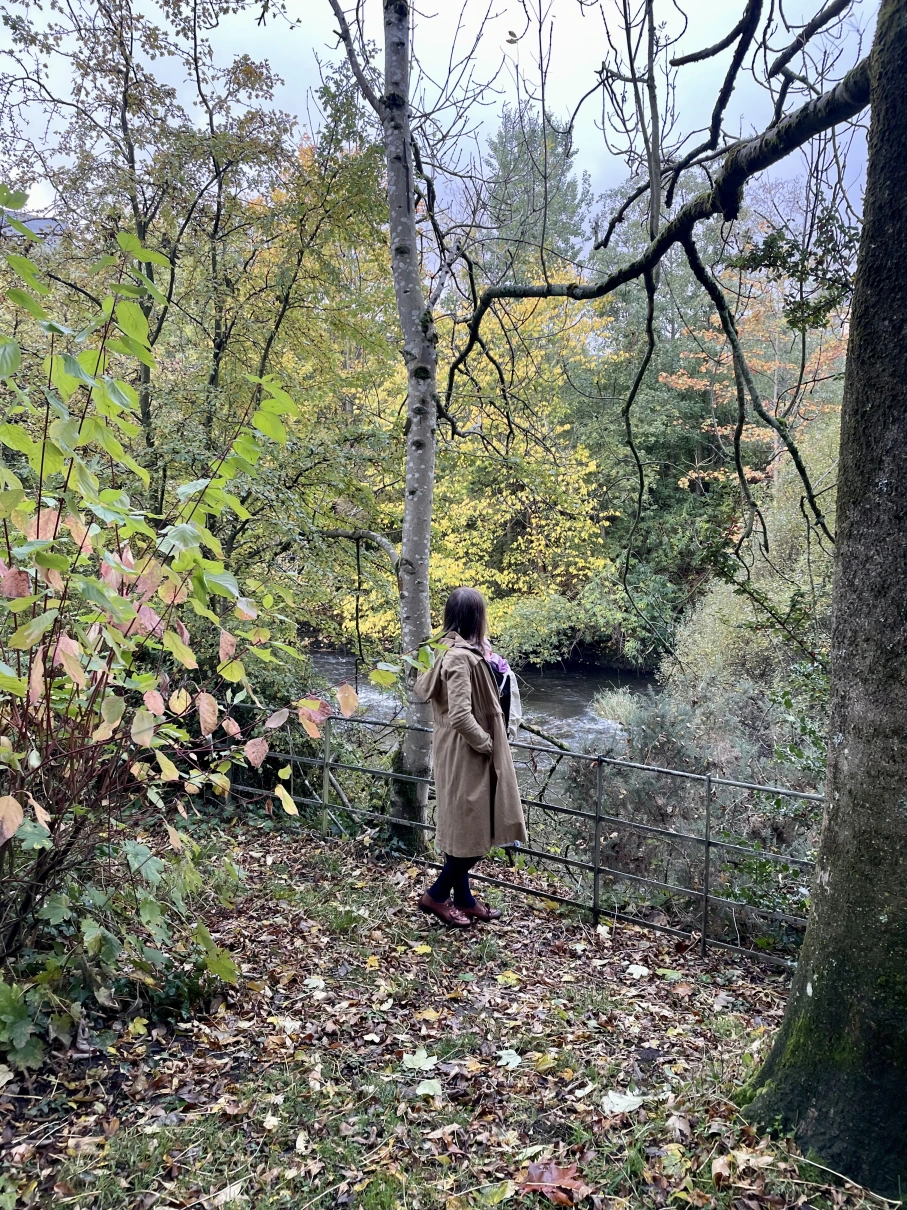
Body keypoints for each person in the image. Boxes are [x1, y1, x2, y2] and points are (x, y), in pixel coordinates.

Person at [414, 587, 527, 927]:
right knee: (475, 834)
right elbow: (462, 715)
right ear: (476, 617)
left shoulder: (442, 649)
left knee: (461, 827)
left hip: (451, 750)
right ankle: (436, 896)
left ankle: (464, 899)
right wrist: (489, 745)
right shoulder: (461, 657)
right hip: (467, 754)